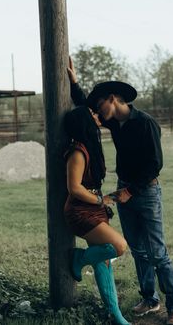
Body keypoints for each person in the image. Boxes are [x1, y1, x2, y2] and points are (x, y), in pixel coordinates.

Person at [67, 57, 173, 325]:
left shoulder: (145, 123)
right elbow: (85, 106)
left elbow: (156, 164)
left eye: (100, 105)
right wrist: (74, 83)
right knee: (138, 249)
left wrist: (132, 190)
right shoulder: (113, 122)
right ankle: (149, 298)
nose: (97, 111)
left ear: (112, 99)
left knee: (157, 252)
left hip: (146, 192)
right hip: (124, 191)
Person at [64, 106, 131, 325]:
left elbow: (89, 187)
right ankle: (79, 258)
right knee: (119, 246)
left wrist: (107, 199)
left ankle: (116, 315)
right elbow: (74, 188)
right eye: (92, 114)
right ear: (86, 121)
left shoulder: (90, 146)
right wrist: (101, 200)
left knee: (103, 261)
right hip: (80, 211)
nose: (97, 115)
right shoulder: (78, 152)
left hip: (93, 207)